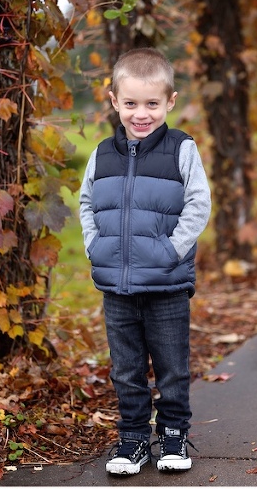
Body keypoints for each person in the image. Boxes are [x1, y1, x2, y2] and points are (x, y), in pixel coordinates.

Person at [79, 48, 211, 475]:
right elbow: (87, 202)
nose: (141, 114)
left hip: (167, 284)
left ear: (170, 102)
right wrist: (94, 246)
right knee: (126, 369)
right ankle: (133, 438)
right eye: (131, 103)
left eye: (152, 104)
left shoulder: (181, 149)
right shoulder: (102, 153)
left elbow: (198, 203)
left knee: (172, 366)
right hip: (115, 286)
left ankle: (173, 434)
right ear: (114, 100)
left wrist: (172, 250)